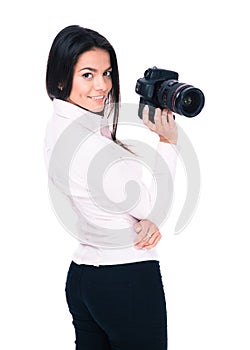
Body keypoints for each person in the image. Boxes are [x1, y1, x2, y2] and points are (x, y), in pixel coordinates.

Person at [44, 24, 178, 350]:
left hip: (83, 278)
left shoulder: (58, 129)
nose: (102, 85)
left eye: (107, 73)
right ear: (62, 79)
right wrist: (167, 142)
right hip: (125, 279)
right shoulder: (92, 147)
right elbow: (149, 206)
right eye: (87, 75)